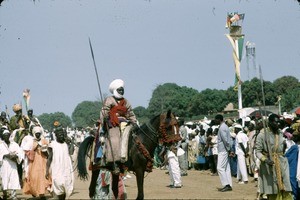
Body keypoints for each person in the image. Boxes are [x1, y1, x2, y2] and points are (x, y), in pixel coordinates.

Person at [99, 79, 137, 170]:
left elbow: (131, 113)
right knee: (115, 139)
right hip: (113, 123)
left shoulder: (126, 102)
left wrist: (134, 122)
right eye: (119, 90)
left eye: (122, 90)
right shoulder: (109, 100)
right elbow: (104, 111)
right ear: (115, 90)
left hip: (126, 123)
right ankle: (115, 161)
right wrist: (106, 118)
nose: (121, 91)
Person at [255, 114, 293, 200]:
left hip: (281, 162)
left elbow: (281, 148)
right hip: (269, 165)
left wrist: (283, 146)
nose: (278, 124)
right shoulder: (262, 134)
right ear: (270, 123)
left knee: (285, 186)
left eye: (279, 122)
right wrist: (265, 160)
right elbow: (258, 151)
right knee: (273, 189)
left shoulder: (280, 133)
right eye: (276, 122)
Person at [22, 126, 50, 199]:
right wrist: (35, 148)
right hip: (33, 162)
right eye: (36, 133)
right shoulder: (31, 141)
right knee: (34, 177)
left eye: (39, 133)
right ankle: (34, 192)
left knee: (43, 176)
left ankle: (42, 194)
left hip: (43, 161)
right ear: (34, 134)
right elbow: (26, 151)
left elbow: (48, 153)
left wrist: (43, 148)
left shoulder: (44, 140)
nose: (38, 135)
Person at [46, 127, 74, 199]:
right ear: (56, 135)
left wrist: (71, 143)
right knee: (58, 184)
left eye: (62, 134)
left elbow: (71, 152)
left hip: (66, 169)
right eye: (60, 135)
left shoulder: (66, 144)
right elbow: (49, 158)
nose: (61, 136)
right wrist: (47, 171)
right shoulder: (52, 144)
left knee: (66, 186)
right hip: (56, 169)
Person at [0, 129, 24, 199]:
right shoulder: (1, 145)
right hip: (4, 164)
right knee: (4, 179)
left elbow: (20, 154)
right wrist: (5, 155)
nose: (6, 137)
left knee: (13, 178)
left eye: (8, 135)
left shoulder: (15, 144)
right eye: (5, 136)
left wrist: (15, 156)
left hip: (13, 164)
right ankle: (5, 194)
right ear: (3, 136)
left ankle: (13, 195)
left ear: (9, 136)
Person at [215, 114, 233, 192]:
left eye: (216, 119)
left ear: (219, 119)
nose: (215, 121)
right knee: (226, 168)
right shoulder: (225, 126)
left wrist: (229, 149)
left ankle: (226, 184)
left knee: (220, 168)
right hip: (225, 149)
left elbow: (225, 140)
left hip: (223, 149)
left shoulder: (222, 128)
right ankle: (229, 184)